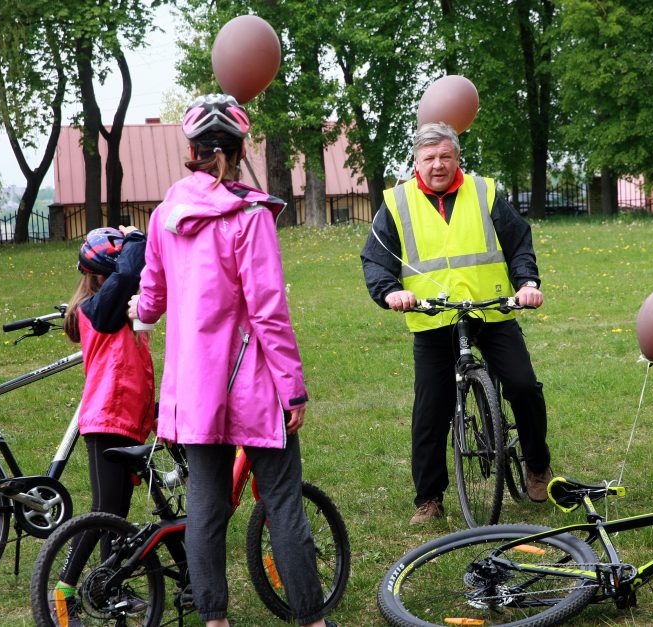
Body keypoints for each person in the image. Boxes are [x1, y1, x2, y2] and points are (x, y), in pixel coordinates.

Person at [128, 94, 332, 627]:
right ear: (240, 149)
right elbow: (268, 312)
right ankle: (311, 619)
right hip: (255, 382)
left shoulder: (166, 214)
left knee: (205, 506)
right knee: (283, 502)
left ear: (191, 151)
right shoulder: (250, 215)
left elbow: (152, 293)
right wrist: (293, 387)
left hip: (196, 387)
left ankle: (214, 620)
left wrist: (139, 312)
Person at [361, 121, 554, 524]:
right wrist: (390, 291)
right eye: (429, 158)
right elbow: (376, 259)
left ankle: (537, 465)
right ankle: (429, 498)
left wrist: (528, 282)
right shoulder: (396, 203)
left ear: (457, 158)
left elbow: (519, 242)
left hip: (492, 310)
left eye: (445, 156)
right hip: (433, 318)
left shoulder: (484, 193)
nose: (437, 165)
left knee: (523, 385)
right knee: (431, 410)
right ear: (416, 161)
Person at [52, 226, 156, 622]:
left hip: (126, 421)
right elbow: (128, 274)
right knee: (104, 511)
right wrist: (134, 238)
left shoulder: (112, 310)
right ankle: (63, 592)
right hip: (107, 420)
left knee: (116, 516)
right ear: (101, 276)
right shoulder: (99, 310)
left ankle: (107, 585)